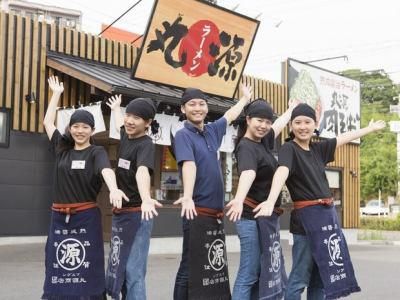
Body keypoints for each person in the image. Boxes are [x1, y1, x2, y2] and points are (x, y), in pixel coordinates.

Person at [254, 103, 385, 300]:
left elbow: (342, 138)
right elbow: (282, 171)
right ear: (291, 126)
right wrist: (271, 200)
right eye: (297, 122)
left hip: (327, 219)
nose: (302, 126)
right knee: (299, 278)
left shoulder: (318, 149)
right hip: (305, 222)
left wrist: (369, 128)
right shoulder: (289, 148)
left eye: (307, 122)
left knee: (321, 278)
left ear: (315, 125)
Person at [42, 76, 127, 300]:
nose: (80, 131)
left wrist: (115, 189)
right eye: (76, 126)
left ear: (92, 130)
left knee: (87, 261)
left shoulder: (96, 152)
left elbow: (106, 171)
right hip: (59, 216)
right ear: (70, 128)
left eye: (85, 127)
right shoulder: (62, 148)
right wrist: (56, 95)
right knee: (56, 259)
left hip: (86, 216)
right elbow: (48, 124)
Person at [172, 84, 252, 300]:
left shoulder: (212, 131)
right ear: (183, 109)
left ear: (206, 107)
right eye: (192, 104)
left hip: (214, 213)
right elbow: (189, 164)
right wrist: (187, 195)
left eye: (201, 104)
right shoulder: (183, 135)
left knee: (206, 267)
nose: (197, 108)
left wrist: (245, 99)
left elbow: (229, 115)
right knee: (189, 266)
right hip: (196, 211)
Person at [226, 98, 297, 300]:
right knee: (249, 272)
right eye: (259, 120)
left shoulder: (263, 141)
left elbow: (277, 125)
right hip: (249, 217)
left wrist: (290, 110)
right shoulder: (246, 147)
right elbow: (248, 172)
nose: (264, 126)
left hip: (266, 218)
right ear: (248, 119)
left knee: (263, 270)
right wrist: (239, 199)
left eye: (267, 121)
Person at [105, 95, 162, 300]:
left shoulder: (146, 144)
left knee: (133, 271)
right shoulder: (125, 134)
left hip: (139, 213)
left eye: (136, 118)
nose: (129, 120)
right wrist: (116, 109)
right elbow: (120, 123)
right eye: (128, 115)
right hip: (122, 214)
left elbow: (142, 171)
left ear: (147, 123)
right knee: (119, 266)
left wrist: (146, 197)